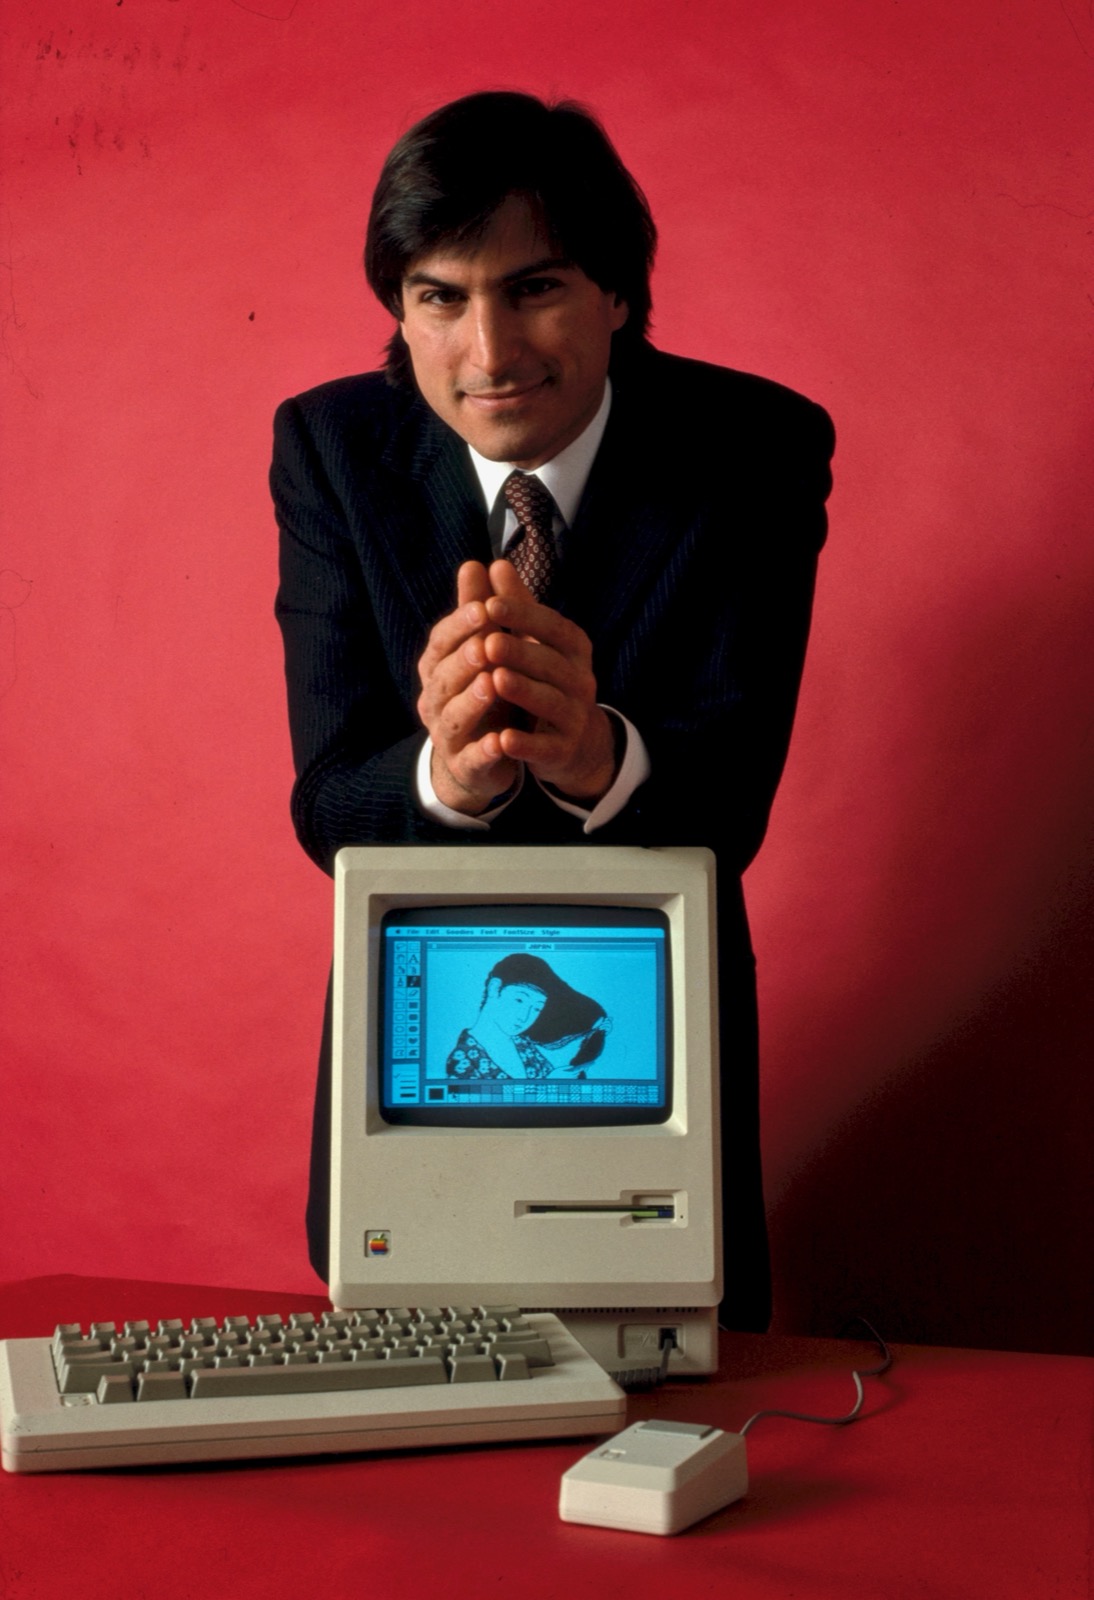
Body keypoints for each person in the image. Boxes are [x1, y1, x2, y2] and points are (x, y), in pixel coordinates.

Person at [271, 90, 835, 1329]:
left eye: (534, 288)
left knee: (664, 1422)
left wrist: (596, 754)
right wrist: (442, 778)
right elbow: (328, 805)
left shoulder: (756, 448)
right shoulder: (327, 448)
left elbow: (729, 804)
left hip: (659, 1050)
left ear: (618, 294)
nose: (488, 351)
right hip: (409, 1040)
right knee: (410, 1454)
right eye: (439, 295)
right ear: (399, 310)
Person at [446, 953, 609, 1081]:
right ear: (495, 989)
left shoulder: (521, 1042)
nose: (525, 1017)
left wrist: (596, 1032)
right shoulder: (462, 1061)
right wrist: (547, 1086)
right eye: (519, 1000)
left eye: (537, 1008)